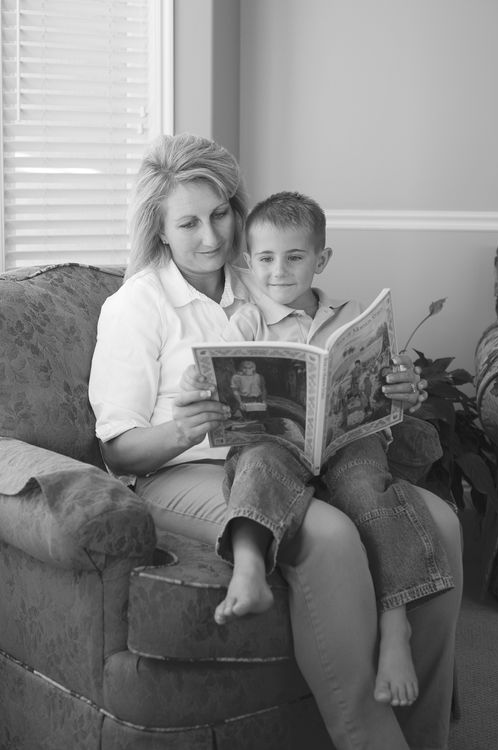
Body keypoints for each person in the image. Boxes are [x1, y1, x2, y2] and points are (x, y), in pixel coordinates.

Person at [88, 133, 462, 750]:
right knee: (331, 537)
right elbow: (116, 451)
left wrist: (391, 388)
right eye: (188, 224)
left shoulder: (260, 272)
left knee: (440, 526)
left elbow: (324, 355)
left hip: (298, 458)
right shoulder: (135, 306)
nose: (210, 237)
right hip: (182, 470)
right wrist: (185, 428)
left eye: (219, 215)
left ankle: (422, 737)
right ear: (159, 230)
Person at [198, 190, 454, 710]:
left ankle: (395, 623)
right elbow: (217, 381)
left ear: (322, 259)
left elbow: (384, 377)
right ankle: (249, 566)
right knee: (257, 466)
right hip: (276, 441)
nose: (279, 271)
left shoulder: (350, 314)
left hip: (347, 439)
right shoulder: (246, 321)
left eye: (295, 257)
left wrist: (399, 382)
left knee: (369, 489)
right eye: (265, 258)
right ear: (249, 260)